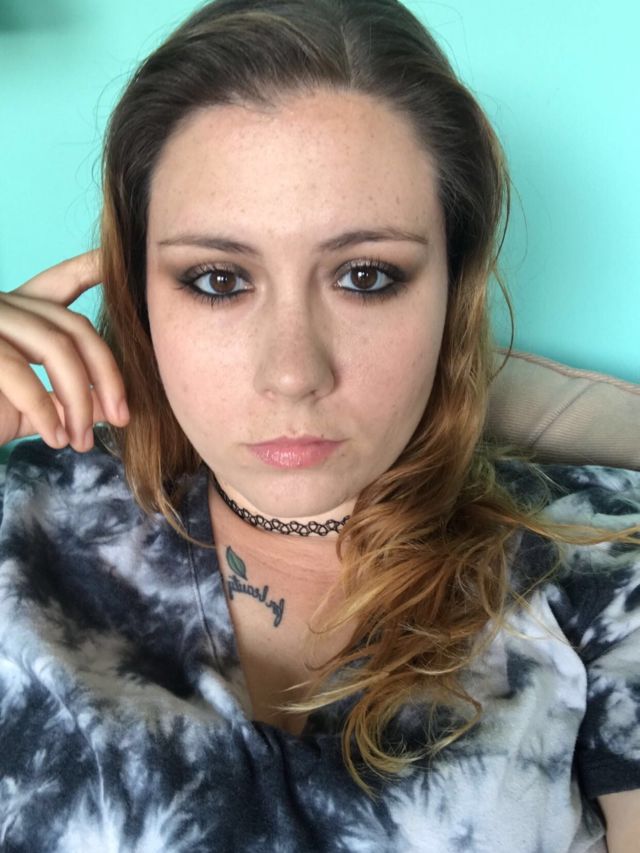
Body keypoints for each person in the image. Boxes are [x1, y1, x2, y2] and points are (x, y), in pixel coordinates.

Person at [0, 0, 639, 850]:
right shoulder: (19, 525)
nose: (294, 373)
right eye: (218, 280)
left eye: (366, 275)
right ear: (139, 295)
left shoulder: (601, 561)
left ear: (454, 289)